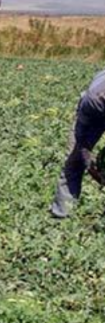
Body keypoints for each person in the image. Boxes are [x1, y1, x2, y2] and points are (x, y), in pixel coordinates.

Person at [50, 69, 105, 219]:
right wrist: (89, 165)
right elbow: (82, 143)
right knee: (74, 162)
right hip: (93, 114)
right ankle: (61, 216)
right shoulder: (93, 101)